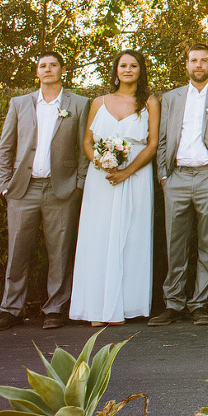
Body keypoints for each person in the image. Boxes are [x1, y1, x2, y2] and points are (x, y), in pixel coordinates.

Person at [0, 52, 90, 332]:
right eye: (43, 66)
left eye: (53, 65)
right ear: (37, 72)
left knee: (59, 251)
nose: (48, 70)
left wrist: (78, 184)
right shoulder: (20, 104)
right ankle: (11, 310)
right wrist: (5, 184)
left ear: (62, 70)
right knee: (17, 250)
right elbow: (6, 147)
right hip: (23, 190)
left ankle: (55, 308)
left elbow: (84, 147)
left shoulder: (79, 104)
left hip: (61, 190)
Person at [149, 43, 208, 327]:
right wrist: (163, 174)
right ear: (186, 65)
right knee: (174, 242)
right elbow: (163, 138)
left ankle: (199, 304)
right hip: (176, 177)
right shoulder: (172, 97)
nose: (198, 65)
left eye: (203, 61)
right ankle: (173, 303)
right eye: (193, 60)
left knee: (207, 242)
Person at [70, 49, 159, 326]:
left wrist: (127, 172)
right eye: (123, 65)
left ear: (140, 71)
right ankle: (96, 308)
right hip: (103, 178)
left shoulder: (150, 103)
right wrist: (101, 161)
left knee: (132, 237)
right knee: (98, 236)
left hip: (136, 177)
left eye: (134, 66)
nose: (128, 70)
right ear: (116, 70)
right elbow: (87, 140)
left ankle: (126, 306)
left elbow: (152, 144)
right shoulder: (99, 101)